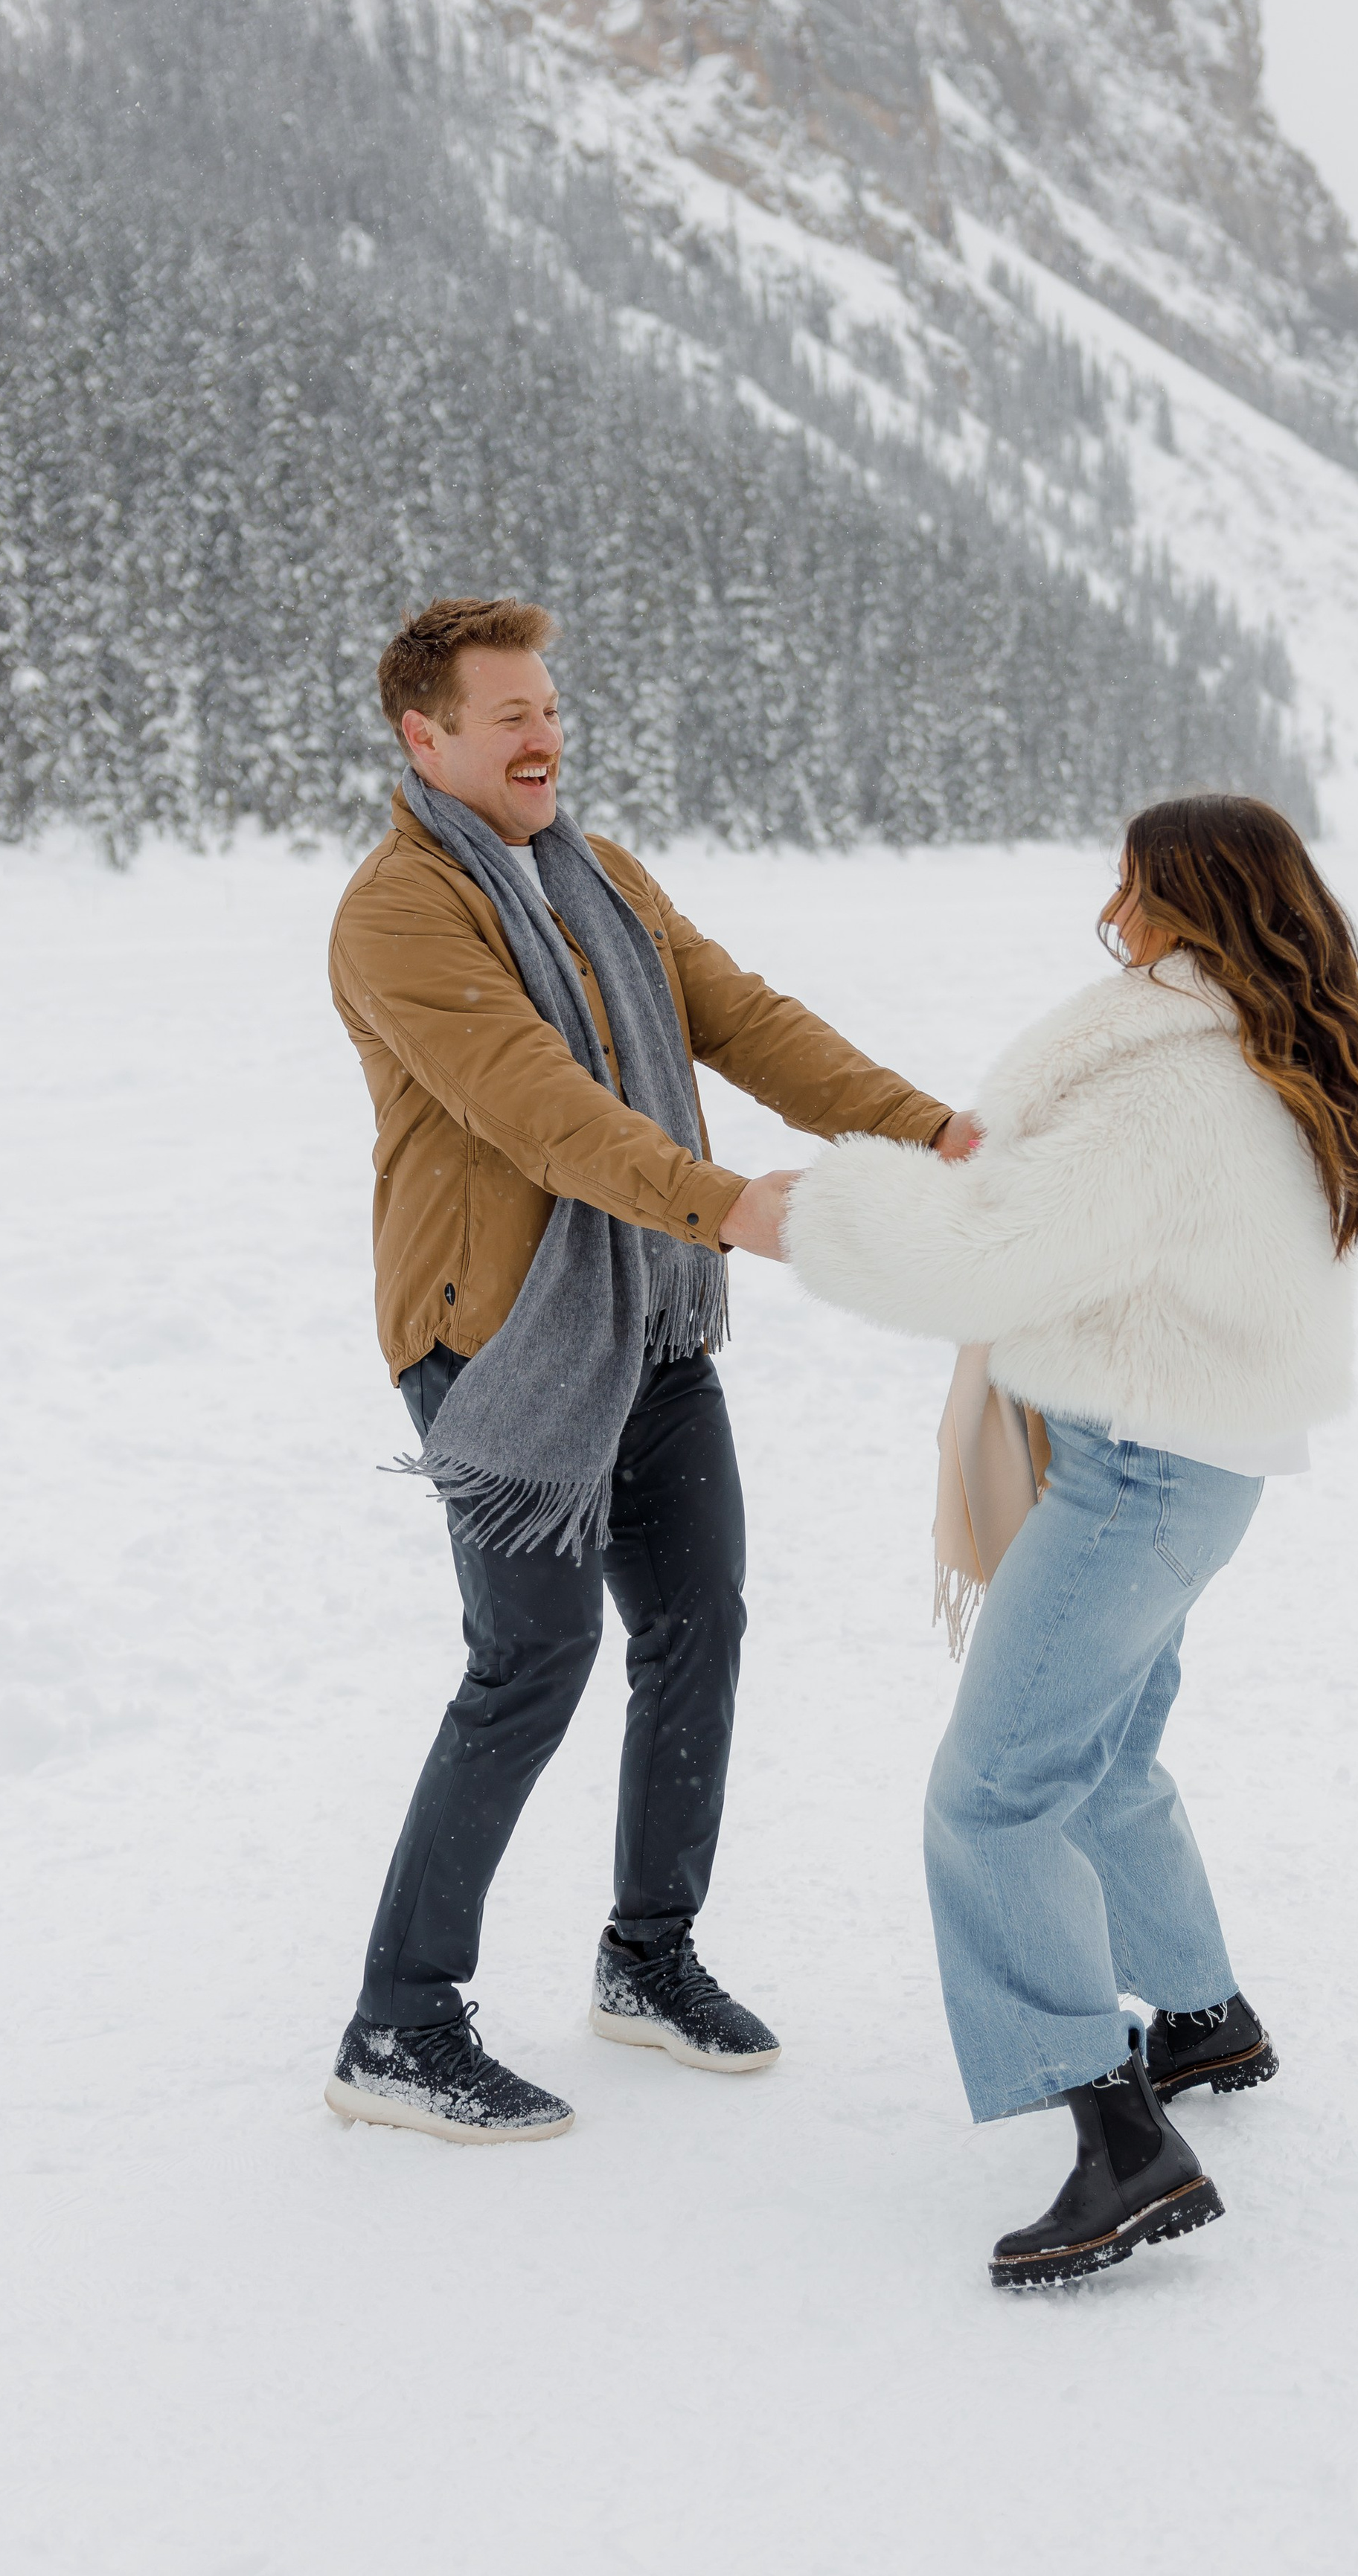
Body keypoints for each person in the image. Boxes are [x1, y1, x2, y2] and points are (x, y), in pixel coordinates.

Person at [322, 597, 973, 2143]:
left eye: (550, 709)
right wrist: (727, 1206)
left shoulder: (599, 876)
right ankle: (396, 2025)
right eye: (509, 717)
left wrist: (933, 1130)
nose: (545, 738)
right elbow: (535, 1105)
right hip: (499, 1343)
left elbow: (744, 1022)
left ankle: (648, 1957)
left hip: (651, 1323)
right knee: (529, 1661)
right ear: (424, 738)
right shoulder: (399, 913)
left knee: (698, 1624)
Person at [781, 792, 1358, 2284]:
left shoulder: (1159, 1091)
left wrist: (807, 1210)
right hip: (1202, 1468)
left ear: (1189, 904)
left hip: (1134, 1475)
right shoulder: (1258, 1051)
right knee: (1106, 1760)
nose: (1110, 910)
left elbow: (987, 1255)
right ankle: (1201, 2016)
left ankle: (1121, 2147)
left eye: (1131, 884)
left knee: (993, 1797)